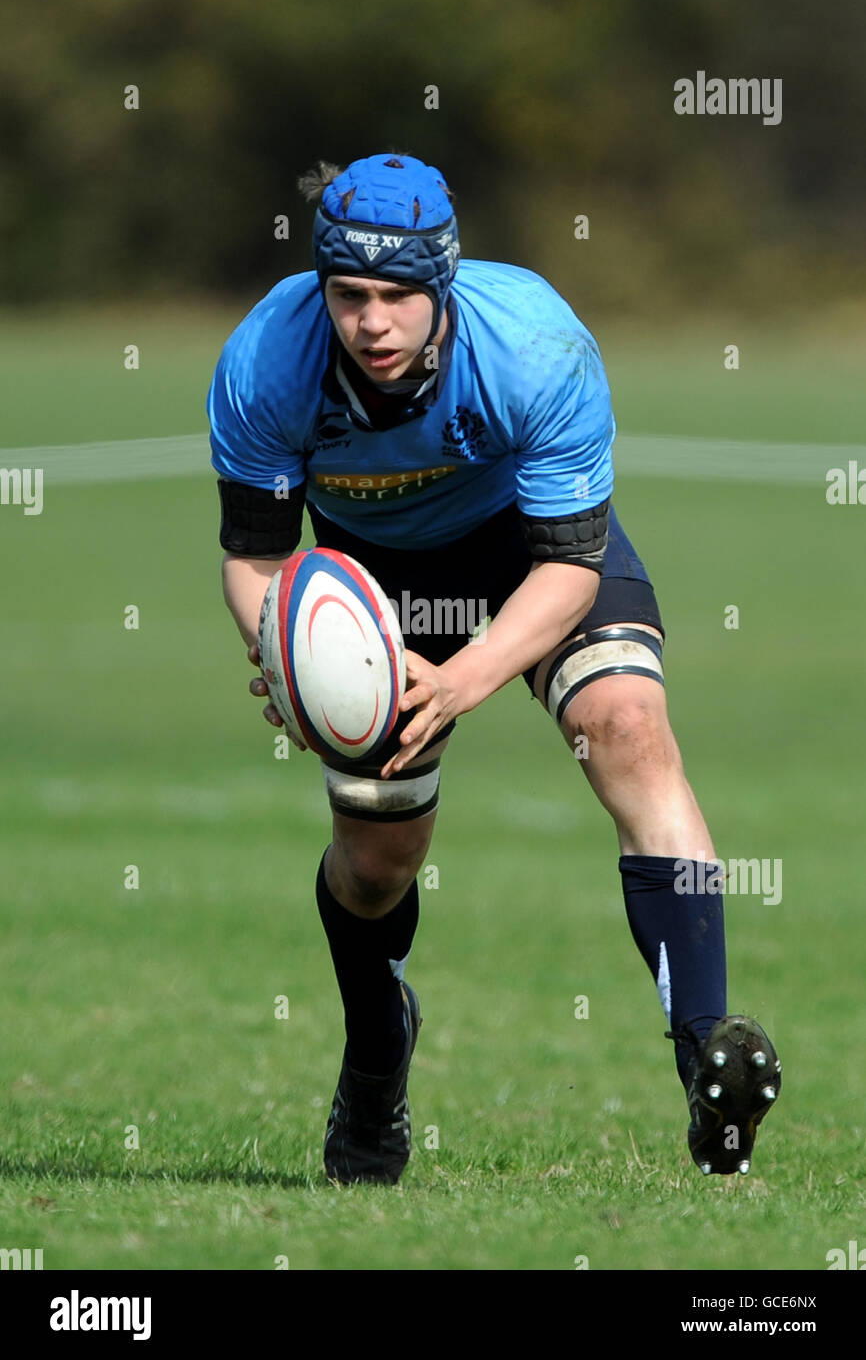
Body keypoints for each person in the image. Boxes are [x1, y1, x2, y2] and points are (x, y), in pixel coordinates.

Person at [208, 152, 781, 1185]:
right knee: (379, 861)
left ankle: (709, 1061)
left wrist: (464, 676)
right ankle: (377, 1056)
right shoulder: (263, 360)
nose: (370, 323)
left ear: (444, 283)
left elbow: (567, 568)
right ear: (320, 288)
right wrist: (283, 658)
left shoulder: (536, 345)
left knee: (629, 728)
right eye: (348, 296)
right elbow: (254, 556)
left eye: (396, 296)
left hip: (525, 552)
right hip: (367, 587)